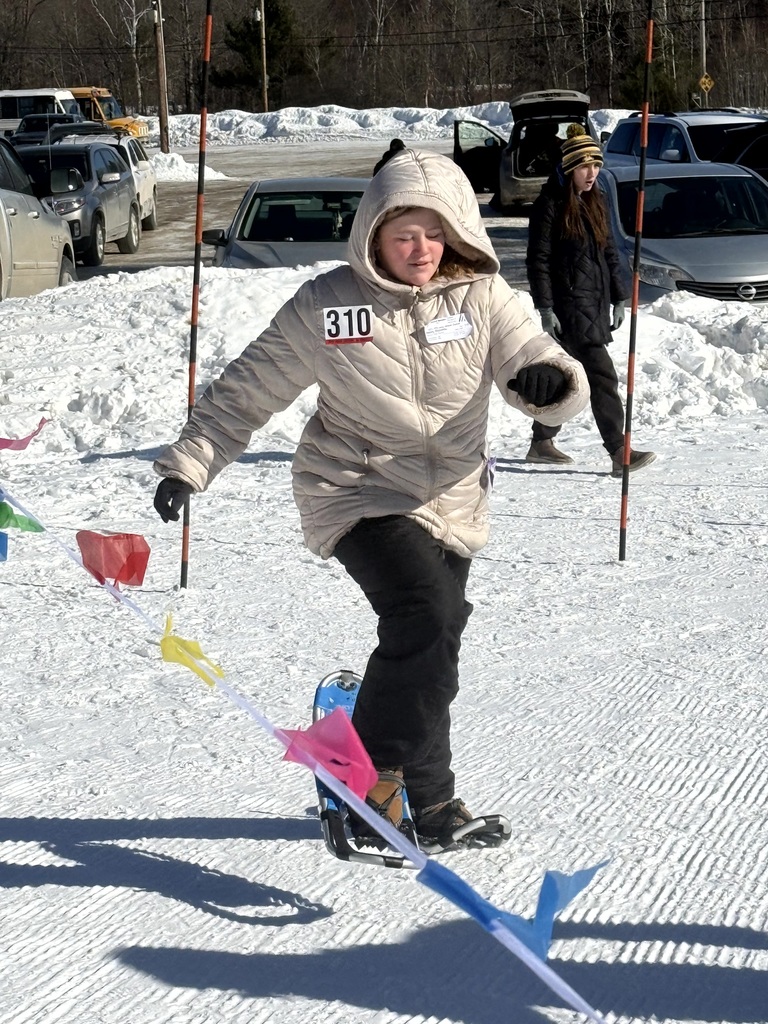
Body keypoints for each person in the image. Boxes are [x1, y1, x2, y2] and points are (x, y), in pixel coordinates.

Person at [152, 150, 589, 850]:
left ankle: (434, 803)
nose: (420, 249)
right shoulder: (330, 304)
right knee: (428, 612)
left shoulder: (482, 296)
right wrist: (189, 464)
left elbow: (533, 356)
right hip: (353, 489)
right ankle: (360, 774)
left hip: (450, 499)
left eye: (433, 232)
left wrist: (549, 385)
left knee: (434, 644)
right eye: (402, 234)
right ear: (373, 237)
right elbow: (248, 389)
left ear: (456, 231)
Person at [525, 123, 656, 475]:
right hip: (569, 308)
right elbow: (537, 260)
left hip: (593, 305)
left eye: (596, 166)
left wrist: (619, 297)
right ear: (569, 168)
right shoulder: (549, 205)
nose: (592, 173)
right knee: (602, 377)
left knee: (567, 378)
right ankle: (619, 452)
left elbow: (609, 251)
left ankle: (541, 441)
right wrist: (546, 308)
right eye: (585, 167)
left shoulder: (595, 200)